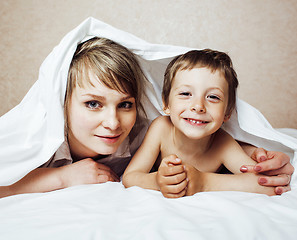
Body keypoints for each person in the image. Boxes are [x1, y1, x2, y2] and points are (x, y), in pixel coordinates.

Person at [0, 37, 293, 199]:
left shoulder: (142, 132)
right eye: (92, 104)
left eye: (125, 104)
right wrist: (61, 176)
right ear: (60, 103)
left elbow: (210, 143)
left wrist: (255, 152)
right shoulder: (36, 137)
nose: (114, 123)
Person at [122, 49, 292, 197]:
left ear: (227, 113)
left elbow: (265, 184)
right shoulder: (161, 128)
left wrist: (204, 182)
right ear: (166, 104)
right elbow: (130, 177)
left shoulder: (222, 143)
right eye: (186, 93)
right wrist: (157, 181)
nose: (198, 106)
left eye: (213, 97)